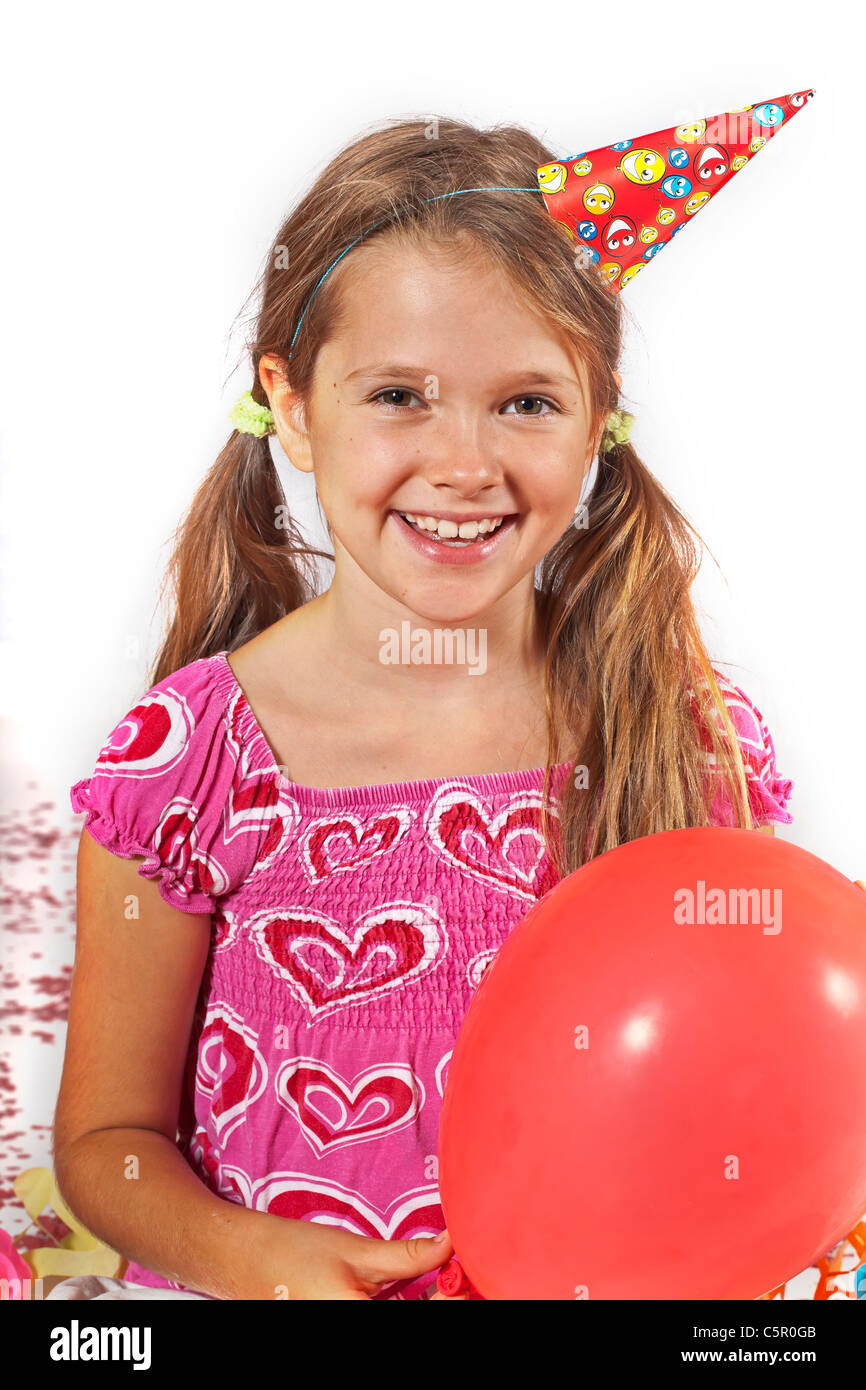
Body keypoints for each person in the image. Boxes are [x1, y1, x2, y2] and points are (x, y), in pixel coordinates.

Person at [49, 110, 854, 1303]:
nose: (465, 463)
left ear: (599, 414)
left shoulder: (683, 732)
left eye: (525, 402)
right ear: (291, 403)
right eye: (398, 395)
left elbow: (744, 1058)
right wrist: (254, 1258)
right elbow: (106, 1143)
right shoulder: (194, 757)